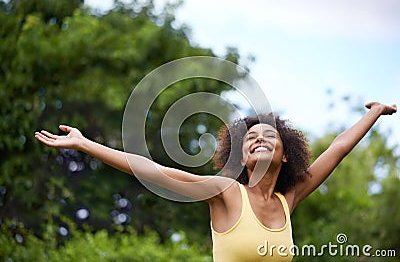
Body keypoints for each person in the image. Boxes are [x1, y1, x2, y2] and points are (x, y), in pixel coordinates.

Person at [35, 101, 397, 261]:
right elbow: (155, 172)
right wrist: (85, 144)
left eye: (269, 137)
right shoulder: (225, 191)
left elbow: (337, 148)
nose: (258, 139)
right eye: (251, 139)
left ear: (286, 155)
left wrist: (375, 114)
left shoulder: (290, 198)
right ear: (240, 157)